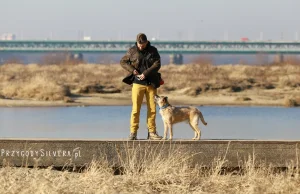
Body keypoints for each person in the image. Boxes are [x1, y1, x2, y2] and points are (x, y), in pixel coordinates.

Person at [120, 33, 162, 140]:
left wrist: (145, 73)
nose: (141, 46)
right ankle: (133, 133)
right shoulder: (132, 50)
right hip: (137, 83)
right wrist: (132, 70)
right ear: (137, 42)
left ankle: (152, 132)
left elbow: (157, 64)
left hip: (151, 83)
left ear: (146, 42)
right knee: (135, 109)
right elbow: (123, 62)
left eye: (142, 44)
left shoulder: (153, 50)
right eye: (139, 44)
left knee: (152, 109)